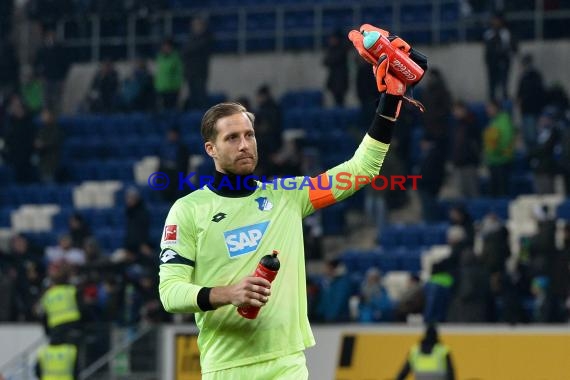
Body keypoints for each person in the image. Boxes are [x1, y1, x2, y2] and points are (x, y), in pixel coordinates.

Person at [158, 28, 415, 378]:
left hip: (287, 365)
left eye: (248, 134)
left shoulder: (287, 195)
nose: (244, 144)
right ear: (211, 149)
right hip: (228, 367)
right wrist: (228, 293)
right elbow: (170, 292)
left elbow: (362, 170)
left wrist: (389, 103)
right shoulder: (188, 210)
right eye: (232, 138)